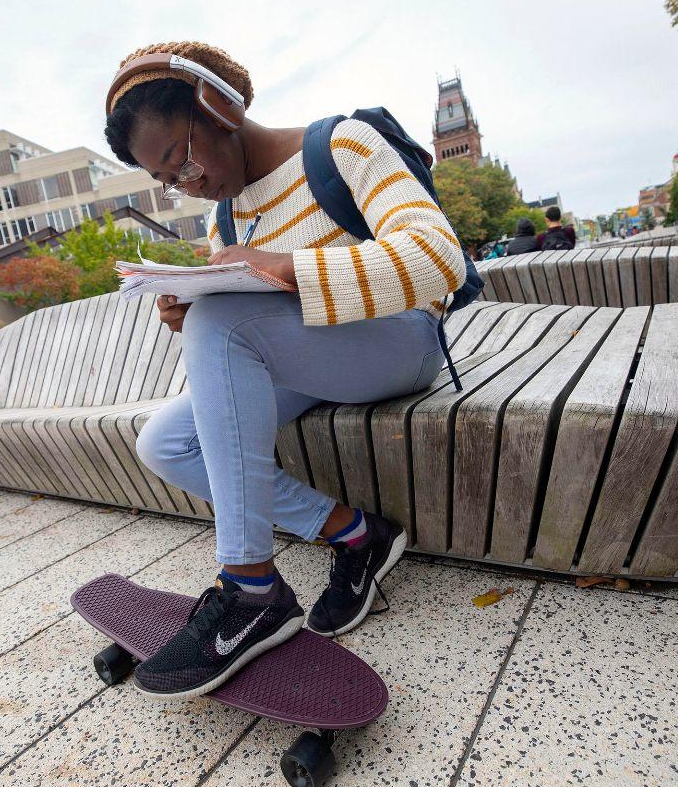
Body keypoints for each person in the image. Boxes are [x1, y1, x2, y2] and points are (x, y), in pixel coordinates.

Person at [105, 41, 465, 699]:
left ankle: (250, 588)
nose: (186, 185)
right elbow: (250, 318)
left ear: (217, 107)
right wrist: (197, 306)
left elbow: (440, 260)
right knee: (164, 442)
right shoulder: (227, 214)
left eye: (179, 161)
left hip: (401, 340)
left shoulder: (342, 146)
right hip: (312, 358)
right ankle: (356, 534)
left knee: (225, 321)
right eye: (167, 180)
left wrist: (281, 269)